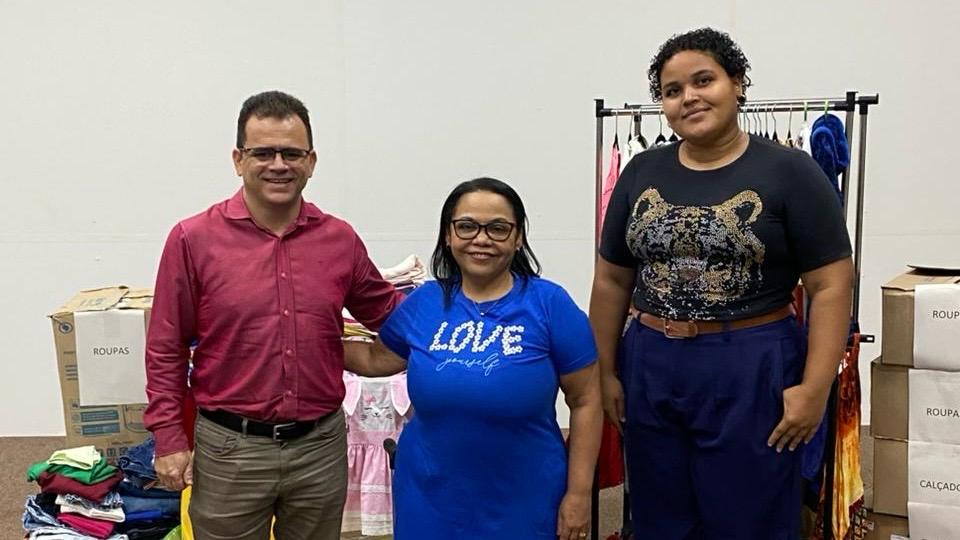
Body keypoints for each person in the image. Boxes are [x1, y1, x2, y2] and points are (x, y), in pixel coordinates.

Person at [589, 28, 854, 539]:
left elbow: (831, 285)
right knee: (659, 515)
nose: (688, 97)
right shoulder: (641, 172)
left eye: (703, 81)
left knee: (748, 517)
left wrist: (815, 388)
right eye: (672, 90)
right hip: (651, 360)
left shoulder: (790, 171)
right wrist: (604, 371)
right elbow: (611, 279)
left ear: (737, 83)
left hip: (751, 364)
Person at [144, 90, 404, 539]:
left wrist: (469, 309)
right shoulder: (193, 239)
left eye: (292, 153)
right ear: (238, 159)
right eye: (263, 153)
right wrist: (168, 437)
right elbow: (165, 347)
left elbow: (390, 313)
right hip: (230, 450)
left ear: (311, 161)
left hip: (320, 448)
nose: (278, 165)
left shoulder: (339, 240)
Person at [343, 177, 602, 540]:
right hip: (428, 498)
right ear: (448, 236)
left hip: (525, 496)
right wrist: (302, 337)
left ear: (518, 237)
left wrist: (579, 494)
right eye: (466, 226)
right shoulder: (424, 303)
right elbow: (375, 359)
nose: (481, 239)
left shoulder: (550, 305)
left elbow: (587, 400)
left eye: (498, 228)